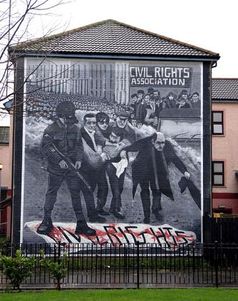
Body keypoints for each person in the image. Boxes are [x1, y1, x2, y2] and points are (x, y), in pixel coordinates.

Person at [37, 101, 97, 236]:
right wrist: (58, 161)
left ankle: (81, 223)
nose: (68, 121)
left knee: (75, 194)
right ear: (60, 116)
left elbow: (79, 146)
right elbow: (46, 148)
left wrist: (79, 160)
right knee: (51, 193)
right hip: (56, 169)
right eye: (66, 118)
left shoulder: (75, 128)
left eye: (69, 118)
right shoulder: (50, 129)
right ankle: (46, 221)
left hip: (71, 168)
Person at [127, 132, 190, 224]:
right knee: (145, 191)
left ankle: (155, 210)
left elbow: (175, 158)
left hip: (158, 171)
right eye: (158, 143)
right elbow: (132, 148)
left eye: (163, 143)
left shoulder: (167, 146)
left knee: (157, 190)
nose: (161, 145)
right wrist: (124, 152)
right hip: (143, 169)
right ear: (153, 142)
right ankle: (147, 216)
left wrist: (184, 171)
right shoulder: (146, 145)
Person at [80, 113, 109, 217]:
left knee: (104, 187)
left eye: (94, 123)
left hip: (99, 165)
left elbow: (102, 142)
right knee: (90, 190)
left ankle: (99, 208)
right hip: (88, 167)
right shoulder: (81, 133)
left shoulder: (95, 132)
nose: (92, 125)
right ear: (84, 123)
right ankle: (92, 214)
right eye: (89, 123)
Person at [103, 127, 130, 219]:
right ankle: (117, 208)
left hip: (121, 165)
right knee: (115, 187)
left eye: (115, 137)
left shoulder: (124, 141)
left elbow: (129, 143)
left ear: (120, 138)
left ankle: (112, 207)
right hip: (111, 165)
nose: (112, 139)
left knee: (120, 186)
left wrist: (124, 148)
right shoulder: (107, 144)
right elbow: (112, 154)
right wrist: (121, 148)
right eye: (111, 136)